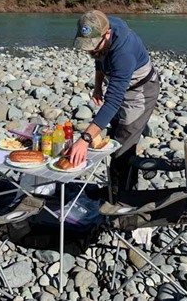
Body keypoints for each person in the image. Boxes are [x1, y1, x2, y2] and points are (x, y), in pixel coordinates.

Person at [68, 10, 160, 194]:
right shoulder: (102, 27)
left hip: (140, 92)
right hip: (121, 85)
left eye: (94, 45)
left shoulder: (123, 53)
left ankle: (123, 198)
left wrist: (85, 139)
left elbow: (113, 102)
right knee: (114, 138)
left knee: (122, 145)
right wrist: (98, 86)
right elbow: (99, 58)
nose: (91, 50)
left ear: (107, 34)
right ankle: (113, 189)